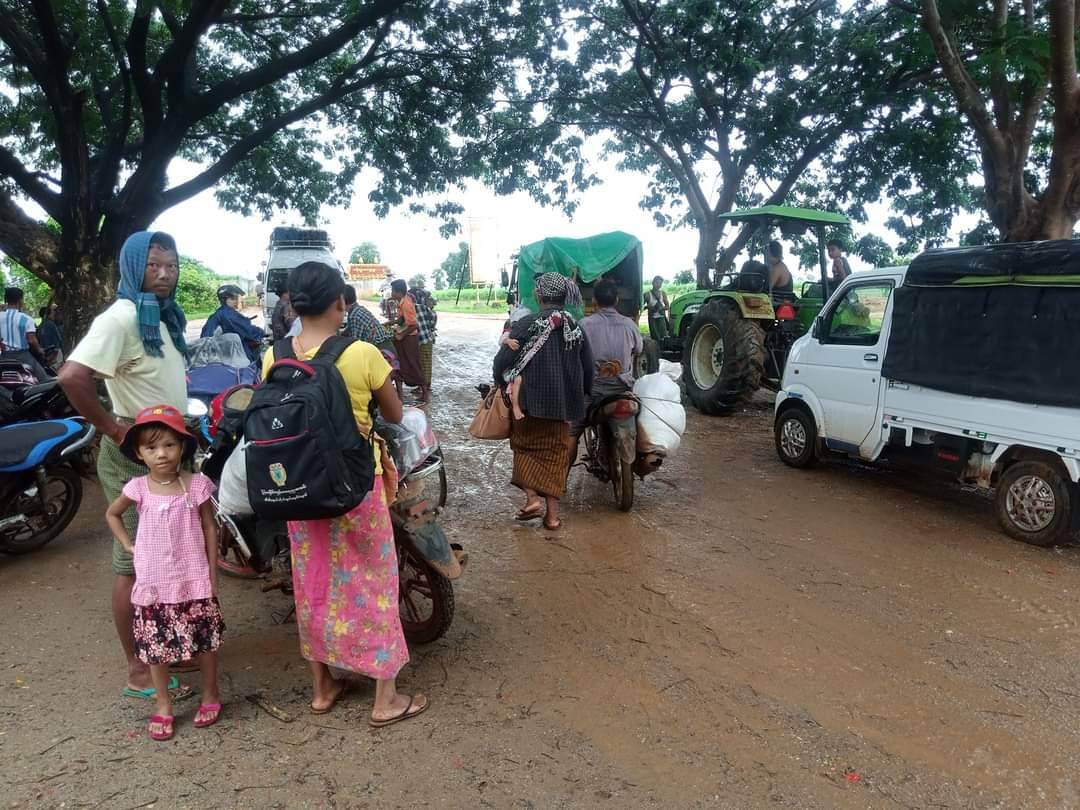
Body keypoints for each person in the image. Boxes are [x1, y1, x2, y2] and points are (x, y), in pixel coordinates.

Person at [263, 261, 428, 727]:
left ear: (293, 304)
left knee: (313, 581)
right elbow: (394, 415)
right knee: (374, 579)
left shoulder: (275, 355)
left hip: (298, 486)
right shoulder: (362, 354)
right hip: (356, 484)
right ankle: (385, 698)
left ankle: (322, 688)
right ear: (341, 302)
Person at [59, 230, 192, 702]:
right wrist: (116, 431)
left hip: (169, 450)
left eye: (171, 265)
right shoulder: (122, 316)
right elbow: (72, 376)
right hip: (136, 453)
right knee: (135, 561)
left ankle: (164, 646)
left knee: (170, 553)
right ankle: (138, 667)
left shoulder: (163, 316)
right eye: (153, 265)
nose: (164, 274)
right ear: (133, 268)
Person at [105, 404, 224, 741]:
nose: (161, 454)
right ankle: (163, 702)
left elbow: (209, 527)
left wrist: (212, 571)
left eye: (170, 445)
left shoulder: (197, 485)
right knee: (156, 647)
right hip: (154, 583)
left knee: (205, 641)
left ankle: (211, 693)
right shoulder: (138, 488)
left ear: (182, 447)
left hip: (194, 578)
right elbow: (113, 514)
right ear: (139, 453)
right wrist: (128, 545)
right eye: (152, 447)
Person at [494, 273, 593, 531]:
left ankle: (532, 499)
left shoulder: (526, 324)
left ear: (539, 295)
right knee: (556, 456)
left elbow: (502, 359)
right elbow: (588, 367)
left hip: (528, 404)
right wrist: (582, 395)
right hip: (563, 407)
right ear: (563, 297)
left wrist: (499, 382)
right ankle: (552, 517)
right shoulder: (576, 327)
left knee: (523, 448)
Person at [582, 278, 642, 398]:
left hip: (593, 389)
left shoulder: (584, 325)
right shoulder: (630, 325)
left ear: (594, 300)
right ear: (616, 300)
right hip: (622, 388)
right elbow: (638, 350)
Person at [343, 285, 402, 398]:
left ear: (342, 301)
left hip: (380, 349)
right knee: (393, 375)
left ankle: (393, 401)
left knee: (383, 380)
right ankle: (399, 398)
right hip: (387, 345)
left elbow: (356, 342)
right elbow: (349, 330)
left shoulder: (354, 315)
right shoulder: (359, 309)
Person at [201, 284, 264, 362]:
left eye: (237, 298)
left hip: (217, 354)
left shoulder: (217, 314)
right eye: (233, 298)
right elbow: (248, 330)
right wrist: (262, 333)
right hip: (232, 354)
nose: (236, 301)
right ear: (225, 299)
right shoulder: (228, 314)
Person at [0, 287, 50, 380]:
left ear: (6, 300)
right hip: (23, 356)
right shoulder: (26, 319)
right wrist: (40, 350)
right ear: (20, 300)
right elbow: (31, 340)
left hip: (4, 356)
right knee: (45, 379)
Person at [390, 279, 427, 403]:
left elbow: (413, 325)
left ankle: (425, 392)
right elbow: (402, 320)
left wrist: (401, 335)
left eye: (392, 291)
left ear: (398, 292)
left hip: (409, 338)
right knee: (400, 365)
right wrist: (390, 323)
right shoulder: (402, 302)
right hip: (404, 337)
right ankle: (400, 395)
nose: (391, 293)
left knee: (413, 364)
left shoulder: (406, 303)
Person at [411, 285, 437, 403]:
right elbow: (433, 316)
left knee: (423, 365)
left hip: (422, 340)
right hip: (428, 338)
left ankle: (425, 390)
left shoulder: (413, 309)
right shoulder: (423, 307)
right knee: (426, 364)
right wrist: (430, 327)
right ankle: (425, 386)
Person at [37, 304, 64, 369]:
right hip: (53, 353)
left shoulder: (40, 326)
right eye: (52, 313)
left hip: (45, 353)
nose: (53, 315)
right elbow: (58, 340)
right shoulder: (51, 324)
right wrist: (55, 352)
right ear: (48, 315)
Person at [643, 276, 670, 341]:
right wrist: (648, 307)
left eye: (660, 283)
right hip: (652, 319)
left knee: (664, 338)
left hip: (661, 318)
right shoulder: (647, 294)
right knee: (655, 338)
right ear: (652, 283)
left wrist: (661, 308)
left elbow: (667, 306)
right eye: (657, 283)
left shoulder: (663, 294)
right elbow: (641, 307)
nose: (658, 285)